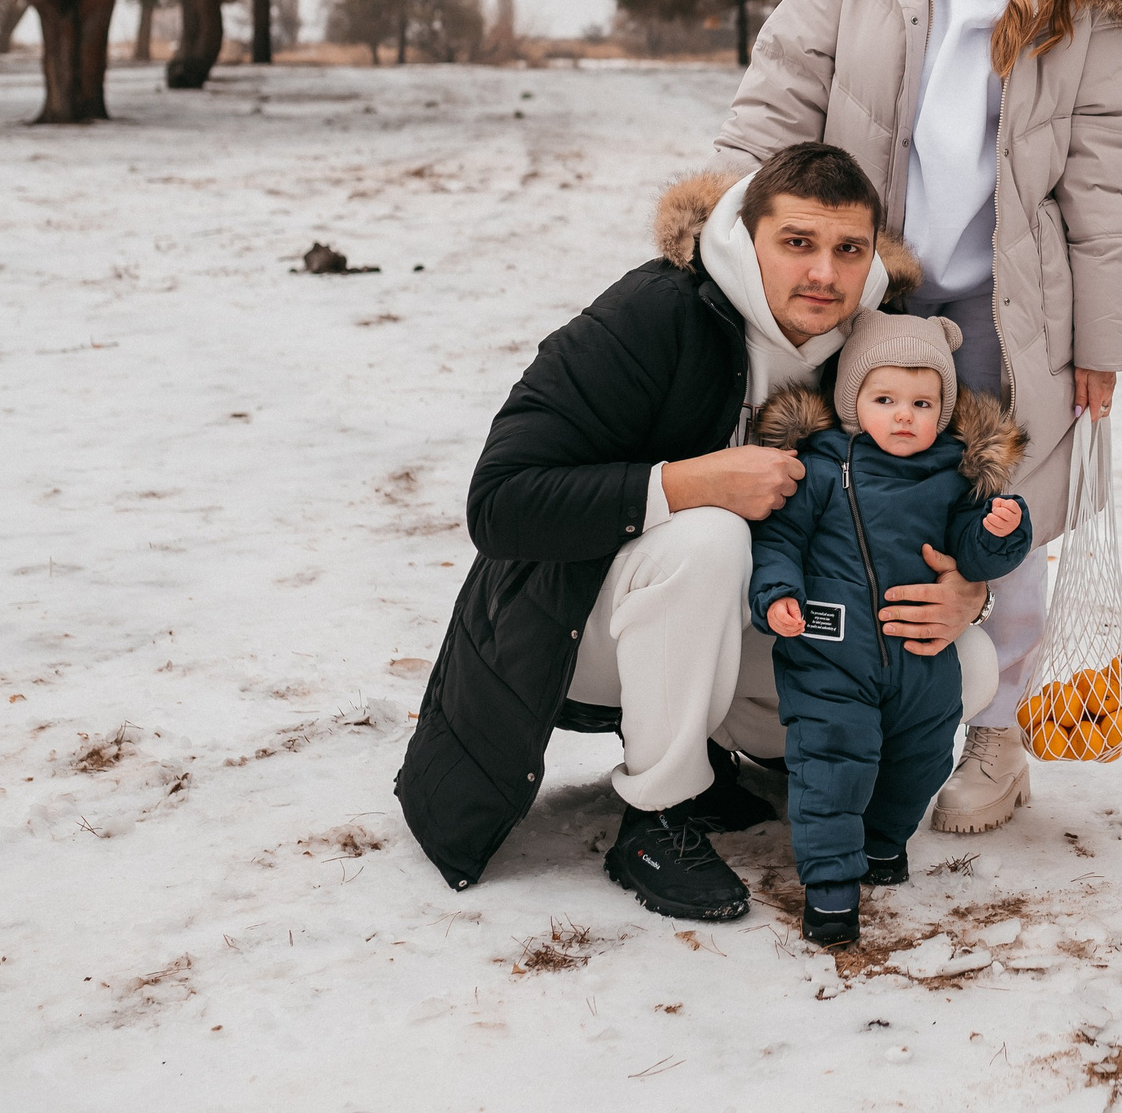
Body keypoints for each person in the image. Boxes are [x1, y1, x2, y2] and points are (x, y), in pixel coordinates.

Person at [715, 0, 1122, 836]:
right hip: (865, 284)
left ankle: (998, 736)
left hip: (1003, 301)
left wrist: (1104, 344)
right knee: (828, 486)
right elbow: (784, 85)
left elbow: (1108, 183)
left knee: (1000, 502)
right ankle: (803, 713)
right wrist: (731, 231)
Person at [393, 143, 997, 919]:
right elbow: (499, 503)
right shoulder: (657, 311)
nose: (824, 273)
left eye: (849, 249)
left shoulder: (877, 342)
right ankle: (657, 815)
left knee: (966, 662)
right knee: (710, 536)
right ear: (748, 236)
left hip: (760, 619)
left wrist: (967, 590)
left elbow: (938, 497)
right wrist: (687, 483)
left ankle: (770, 760)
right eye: (797, 242)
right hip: (580, 630)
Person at [748, 313, 1032, 946]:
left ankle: (882, 842)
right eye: (885, 400)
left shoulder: (953, 476)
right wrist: (776, 593)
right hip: (830, 652)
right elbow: (780, 538)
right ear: (852, 402)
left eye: (922, 404)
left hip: (922, 657)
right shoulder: (821, 467)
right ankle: (830, 893)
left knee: (922, 760)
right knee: (832, 765)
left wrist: (998, 533)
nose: (904, 415)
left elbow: (971, 555)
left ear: (943, 411)